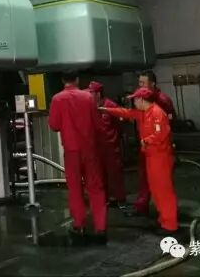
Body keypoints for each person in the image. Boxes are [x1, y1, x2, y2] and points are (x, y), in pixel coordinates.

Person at [100, 88, 178, 235]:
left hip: (160, 157)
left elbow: (161, 134)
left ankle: (170, 224)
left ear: (142, 100)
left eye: (135, 99)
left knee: (163, 191)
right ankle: (164, 219)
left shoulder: (157, 113)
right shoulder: (144, 113)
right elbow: (125, 112)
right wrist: (105, 110)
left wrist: (146, 140)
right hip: (151, 157)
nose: (134, 102)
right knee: (155, 189)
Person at [48, 73, 107, 245]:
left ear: (62, 80)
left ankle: (79, 225)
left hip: (71, 150)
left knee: (75, 188)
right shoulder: (88, 97)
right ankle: (101, 228)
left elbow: (54, 125)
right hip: (90, 148)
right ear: (77, 79)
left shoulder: (57, 99)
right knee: (96, 188)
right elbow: (97, 124)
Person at [133, 70, 176, 216]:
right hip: (145, 146)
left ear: (152, 84)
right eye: (139, 83)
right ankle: (142, 206)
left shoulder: (162, 101)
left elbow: (169, 123)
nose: (140, 86)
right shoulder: (142, 100)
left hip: (159, 148)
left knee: (162, 183)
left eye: (143, 83)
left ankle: (166, 215)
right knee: (144, 177)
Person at [87, 81, 127, 209]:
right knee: (100, 174)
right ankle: (105, 199)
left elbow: (119, 123)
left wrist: (114, 138)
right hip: (97, 147)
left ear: (98, 94)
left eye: (92, 93)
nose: (89, 95)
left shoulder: (110, 106)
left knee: (115, 173)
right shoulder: (90, 106)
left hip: (111, 146)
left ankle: (120, 199)